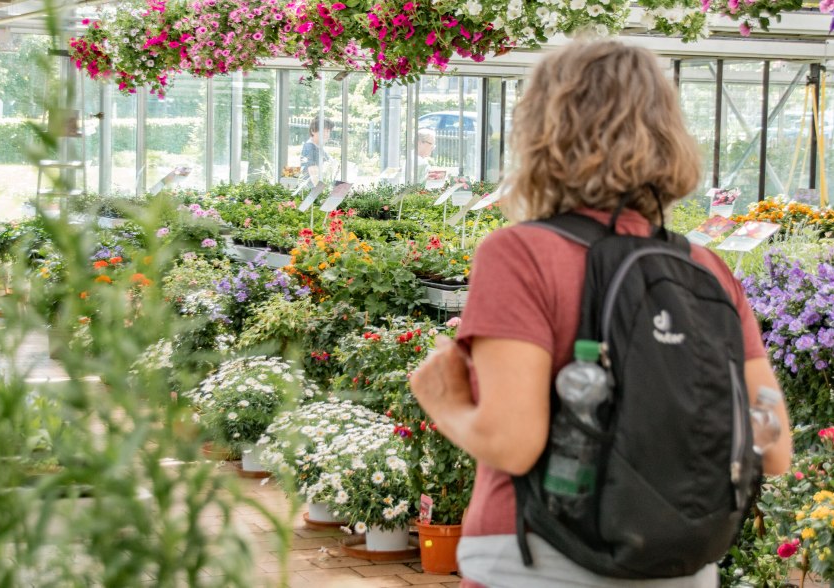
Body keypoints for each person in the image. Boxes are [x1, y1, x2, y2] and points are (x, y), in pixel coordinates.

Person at [409, 40, 792, 588]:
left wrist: (443, 402)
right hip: (680, 565)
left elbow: (513, 444)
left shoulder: (520, 254)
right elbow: (772, 448)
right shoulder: (704, 269)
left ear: (541, 132)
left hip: (539, 559)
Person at [300, 118, 334, 188]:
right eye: (322, 131)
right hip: (311, 192)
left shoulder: (318, 147)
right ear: (313, 131)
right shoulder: (310, 148)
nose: (325, 134)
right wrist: (323, 193)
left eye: (327, 131)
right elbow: (314, 176)